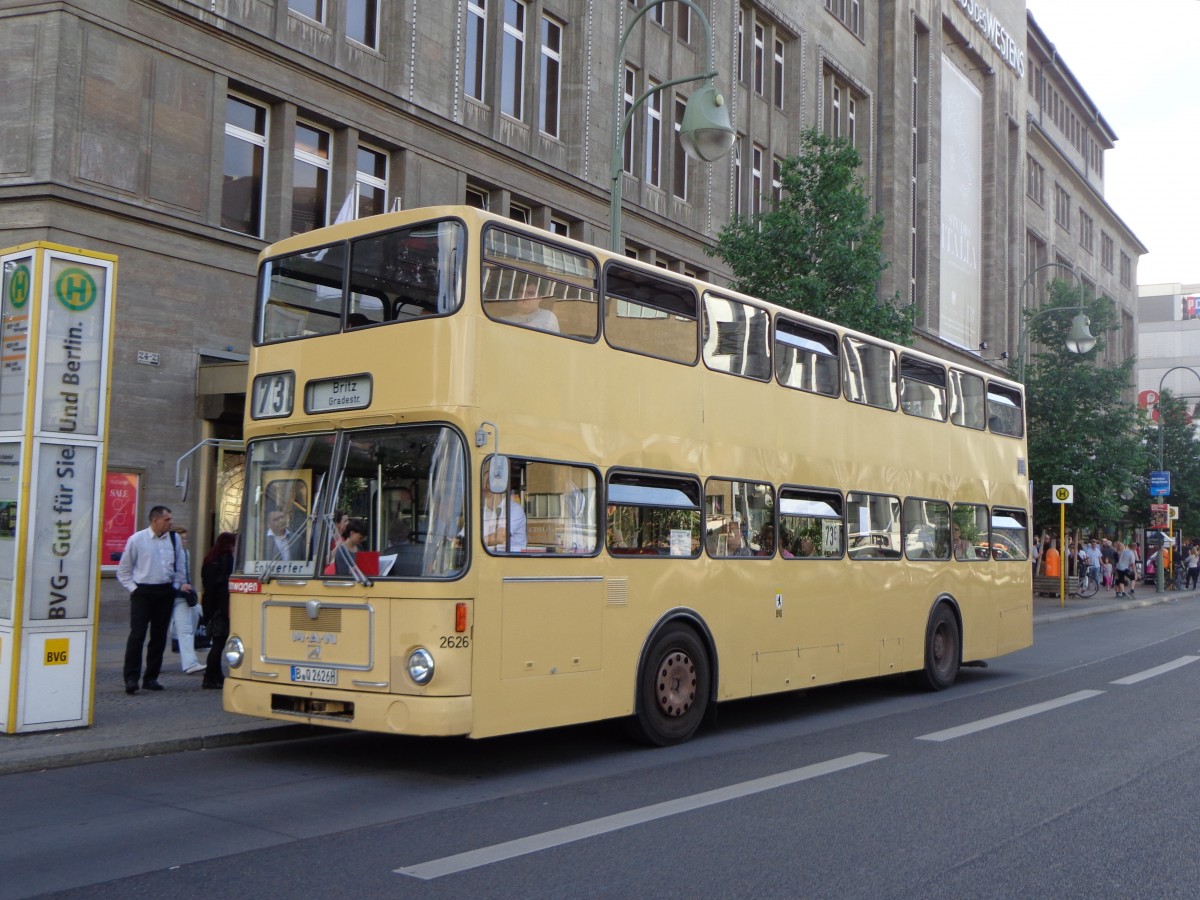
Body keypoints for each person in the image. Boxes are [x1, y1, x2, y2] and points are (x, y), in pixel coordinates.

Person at [117, 505, 192, 694]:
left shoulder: (174, 539)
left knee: (158, 637)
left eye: (171, 519)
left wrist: (174, 588)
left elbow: (180, 568)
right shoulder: (137, 540)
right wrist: (134, 589)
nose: (171, 522)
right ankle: (131, 678)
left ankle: (151, 677)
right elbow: (124, 571)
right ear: (155, 520)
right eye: (167, 520)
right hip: (142, 591)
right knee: (137, 635)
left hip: (165, 592)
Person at [200, 532, 236, 689]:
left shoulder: (209, 559)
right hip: (221, 607)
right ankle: (209, 676)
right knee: (219, 643)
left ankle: (216, 674)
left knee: (217, 642)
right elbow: (225, 585)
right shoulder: (226, 559)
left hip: (210, 606)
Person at [169, 526, 205, 675]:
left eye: (185, 538)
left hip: (183, 597)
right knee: (163, 630)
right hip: (170, 596)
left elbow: (186, 574)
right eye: (181, 538)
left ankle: (190, 663)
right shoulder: (170, 554)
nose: (184, 541)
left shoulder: (186, 553)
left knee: (186, 630)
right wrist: (178, 586)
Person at [483, 486, 527, 552]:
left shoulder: (514, 509)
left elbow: (500, 537)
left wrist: (474, 542)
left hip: (511, 558)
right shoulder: (484, 510)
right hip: (489, 556)